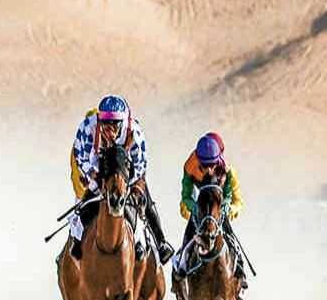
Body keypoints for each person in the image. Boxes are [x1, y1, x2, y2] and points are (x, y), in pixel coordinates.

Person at [68, 95, 174, 264]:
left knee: (144, 201)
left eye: (114, 125)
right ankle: (77, 239)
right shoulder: (88, 128)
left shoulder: (135, 132)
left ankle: (159, 242)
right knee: (83, 204)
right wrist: (95, 177)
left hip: (126, 170)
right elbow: (81, 157)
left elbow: (140, 165)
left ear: (122, 123)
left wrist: (129, 185)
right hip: (99, 168)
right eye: (105, 124)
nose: (109, 130)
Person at [177, 133, 246, 283]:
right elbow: (185, 196)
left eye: (212, 165)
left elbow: (231, 195)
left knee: (229, 234)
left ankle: (239, 267)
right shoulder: (190, 167)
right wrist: (194, 208)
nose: (208, 170)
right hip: (199, 206)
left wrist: (226, 206)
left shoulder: (227, 171)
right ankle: (181, 264)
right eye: (204, 166)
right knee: (189, 233)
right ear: (198, 160)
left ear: (218, 161)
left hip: (217, 207)